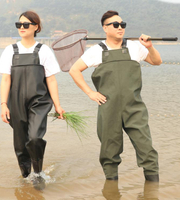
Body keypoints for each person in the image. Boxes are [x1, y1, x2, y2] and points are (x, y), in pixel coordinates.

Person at [69, 10, 161, 182]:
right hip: (108, 107)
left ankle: (153, 189)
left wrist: (150, 47)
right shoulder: (96, 51)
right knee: (109, 152)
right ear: (105, 28)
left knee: (146, 148)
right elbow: (74, 70)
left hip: (134, 107)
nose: (121, 28)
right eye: (116, 25)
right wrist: (90, 93)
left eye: (123, 24)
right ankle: (111, 187)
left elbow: (156, 61)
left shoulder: (135, 47)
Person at [0, 11, 65, 188]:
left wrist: (57, 105)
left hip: (39, 101)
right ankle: (26, 176)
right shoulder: (10, 50)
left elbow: (50, 79)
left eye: (26, 24)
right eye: (19, 24)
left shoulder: (43, 50)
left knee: (34, 138)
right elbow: (6, 79)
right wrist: (4, 104)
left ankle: (38, 172)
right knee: (20, 144)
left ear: (36, 27)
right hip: (16, 102)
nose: (22, 28)